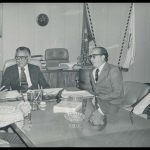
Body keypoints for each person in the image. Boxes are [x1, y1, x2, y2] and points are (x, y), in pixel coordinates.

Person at [83, 46, 124, 131]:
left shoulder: (113, 70)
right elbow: (96, 90)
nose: (91, 59)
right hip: (98, 103)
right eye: (91, 56)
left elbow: (118, 93)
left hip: (111, 104)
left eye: (94, 56)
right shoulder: (92, 71)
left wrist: (99, 98)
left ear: (103, 57)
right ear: (101, 122)